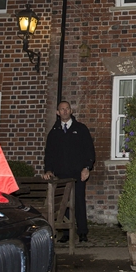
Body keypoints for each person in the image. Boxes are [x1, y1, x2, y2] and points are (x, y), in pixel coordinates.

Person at [43, 101, 96, 243]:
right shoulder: (54, 133)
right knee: (63, 203)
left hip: (78, 173)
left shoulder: (81, 129)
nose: (65, 111)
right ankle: (66, 233)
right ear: (57, 112)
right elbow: (49, 154)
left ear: (71, 111)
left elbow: (89, 150)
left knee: (79, 201)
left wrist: (87, 167)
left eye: (67, 109)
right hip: (61, 174)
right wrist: (48, 169)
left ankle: (82, 232)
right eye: (62, 109)